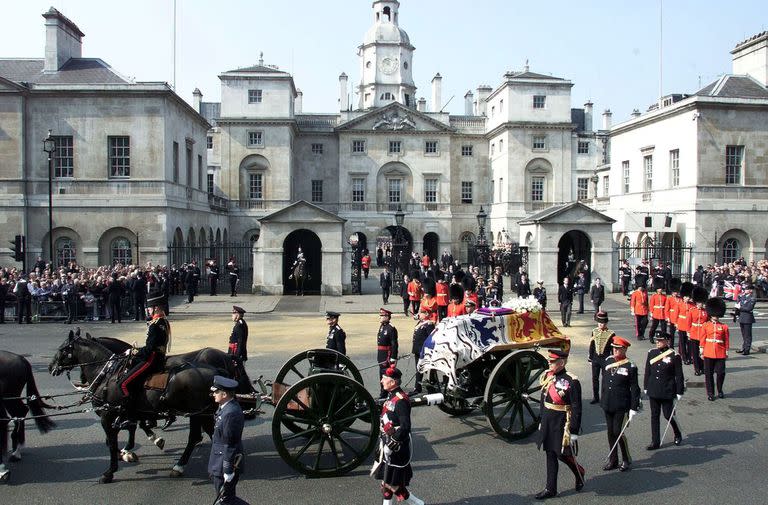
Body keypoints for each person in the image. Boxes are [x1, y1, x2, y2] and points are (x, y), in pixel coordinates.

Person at [114, 293, 170, 428]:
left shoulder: (155, 324)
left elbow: (150, 349)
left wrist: (133, 351)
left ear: (156, 308)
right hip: (159, 356)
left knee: (123, 384)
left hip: (152, 359)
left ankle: (130, 416)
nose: (149, 309)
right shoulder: (163, 321)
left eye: (150, 307)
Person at [534, 349, 584, 500]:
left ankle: (578, 471)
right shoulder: (548, 377)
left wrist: (574, 431)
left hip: (562, 421)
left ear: (561, 363)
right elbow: (544, 400)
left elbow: (576, 407)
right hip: (549, 419)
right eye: (549, 360)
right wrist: (541, 420)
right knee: (550, 453)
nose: (549, 363)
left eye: (553, 361)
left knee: (562, 453)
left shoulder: (572, 381)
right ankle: (550, 488)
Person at [375, 365, 424, 505]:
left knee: (391, 483)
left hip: (396, 448)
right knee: (388, 482)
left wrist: (391, 445)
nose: (381, 381)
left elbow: (405, 427)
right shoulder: (391, 396)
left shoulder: (401, 400)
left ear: (393, 382)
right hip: (387, 444)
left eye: (384, 378)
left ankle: (416, 503)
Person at [600, 336, 640, 472]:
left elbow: (635, 388)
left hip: (621, 404)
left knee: (618, 432)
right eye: (614, 348)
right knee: (610, 432)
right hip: (608, 402)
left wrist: (634, 407)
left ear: (625, 349)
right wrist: (602, 398)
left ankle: (626, 458)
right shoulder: (608, 361)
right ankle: (613, 459)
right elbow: (604, 382)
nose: (615, 351)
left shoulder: (630, 366)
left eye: (618, 349)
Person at [207, 375, 245, 505]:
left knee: (226, 500)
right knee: (225, 500)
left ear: (224, 394)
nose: (213, 394)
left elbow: (230, 443)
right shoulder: (224, 407)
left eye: (216, 392)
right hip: (217, 462)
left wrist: (227, 470)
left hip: (223, 465)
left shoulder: (231, 413)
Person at [643, 332, 684, 450]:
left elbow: (679, 375)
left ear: (667, 341)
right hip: (653, 388)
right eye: (656, 340)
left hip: (667, 389)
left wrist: (679, 391)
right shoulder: (651, 353)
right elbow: (648, 371)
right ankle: (655, 441)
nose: (657, 342)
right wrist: (646, 386)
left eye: (660, 340)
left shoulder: (674, 355)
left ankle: (677, 432)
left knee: (668, 415)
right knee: (654, 416)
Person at [701, 297, 729, 401]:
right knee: (708, 374)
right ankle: (710, 393)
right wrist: (701, 350)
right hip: (708, 351)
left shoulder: (724, 326)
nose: (715, 316)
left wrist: (726, 351)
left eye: (717, 314)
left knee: (721, 372)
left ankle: (720, 389)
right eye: (714, 314)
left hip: (720, 352)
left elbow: (726, 339)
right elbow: (703, 339)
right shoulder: (706, 325)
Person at [588, 311, 615, 404]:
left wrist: (612, 360)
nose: (601, 325)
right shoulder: (594, 331)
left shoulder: (611, 333)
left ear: (606, 323)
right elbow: (592, 345)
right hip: (595, 358)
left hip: (605, 358)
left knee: (605, 379)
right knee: (594, 379)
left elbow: (612, 348)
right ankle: (596, 397)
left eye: (603, 323)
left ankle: (604, 397)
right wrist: (590, 357)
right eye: (599, 323)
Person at [410, 308, 435, 395]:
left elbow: (431, 339)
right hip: (418, 350)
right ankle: (417, 387)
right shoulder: (420, 323)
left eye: (421, 313)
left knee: (429, 370)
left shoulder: (429, 324)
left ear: (426, 314)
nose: (419, 314)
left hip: (424, 352)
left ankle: (431, 388)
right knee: (418, 369)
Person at [377, 308, 399, 398]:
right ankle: (383, 391)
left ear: (387, 316)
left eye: (382, 316)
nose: (380, 317)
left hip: (387, 355)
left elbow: (394, 344)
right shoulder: (382, 326)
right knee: (381, 375)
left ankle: (385, 394)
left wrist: (393, 357)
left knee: (387, 375)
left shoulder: (391, 328)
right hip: (381, 355)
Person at [687, 286, 709, 373]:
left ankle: (702, 367)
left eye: (702, 302)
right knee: (695, 353)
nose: (700, 304)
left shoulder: (705, 311)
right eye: (699, 302)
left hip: (703, 334)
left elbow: (707, 322)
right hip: (694, 333)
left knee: (702, 351)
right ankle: (697, 369)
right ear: (696, 302)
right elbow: (689, 322)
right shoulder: (692, 310)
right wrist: (688, 332)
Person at [735, 284, 755, 355]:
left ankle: (747, 349)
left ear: (750, 290)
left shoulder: (752, 298)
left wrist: (740, 307)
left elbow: (749, 308)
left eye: (746, 289)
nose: (745, 290)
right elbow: (739, 303)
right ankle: (743, 347)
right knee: (744, 334)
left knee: (748, 335)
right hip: (742, 317)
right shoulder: (742, 297)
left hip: (748, 318)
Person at [676, 282, 694, 358]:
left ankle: (689, 356)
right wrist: (676, 324)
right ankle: (684, 356)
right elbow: (676, 315)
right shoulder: (679, 304)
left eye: (688, 297)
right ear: (683, 297)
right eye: (686, 297)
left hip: (689, 326)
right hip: (681, 324)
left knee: (689, 342)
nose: (687, 298)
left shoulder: (692, 305)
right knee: (682, 342)